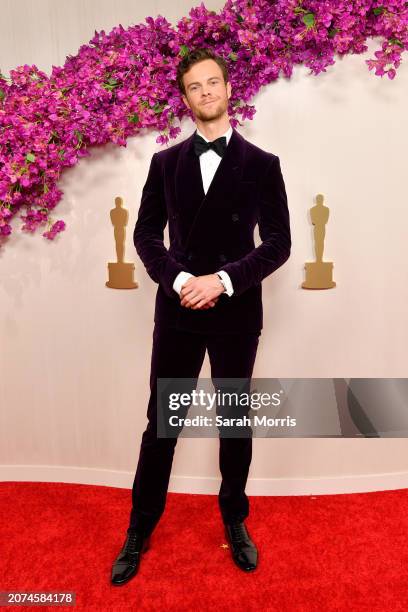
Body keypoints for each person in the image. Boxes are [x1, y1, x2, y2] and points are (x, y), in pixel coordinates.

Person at [111, 47, 291, 585]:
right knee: (162, 423)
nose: (206, 91)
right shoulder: (164, 163)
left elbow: (279, 243)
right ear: (186, 98)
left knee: (235, 421)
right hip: (179, 312)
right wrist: (183, 280)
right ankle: (140, 528)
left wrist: (225, 280)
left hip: (237, 313)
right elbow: (145, 236)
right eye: (195, 86)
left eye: (214, 82)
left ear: (229, 89)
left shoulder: (263, 165)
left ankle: (235, 520)